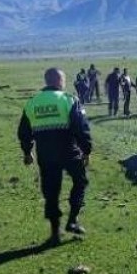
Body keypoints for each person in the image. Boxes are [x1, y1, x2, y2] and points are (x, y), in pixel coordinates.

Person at [18, 68, 92, 245]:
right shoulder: (68, 100)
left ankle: (54, 233)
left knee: (51, 191)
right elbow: (80, 128)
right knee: (80, 182)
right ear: (60, 81)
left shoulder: (32, 103)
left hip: (45, 153)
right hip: (68, 150)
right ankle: (72, 220)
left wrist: (27, 152)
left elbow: (24, 132)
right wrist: (86, 150)